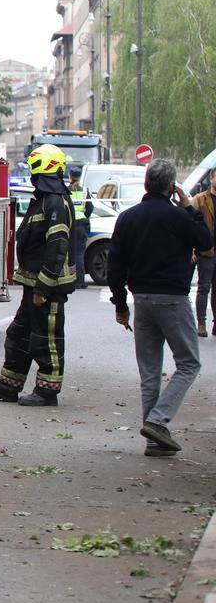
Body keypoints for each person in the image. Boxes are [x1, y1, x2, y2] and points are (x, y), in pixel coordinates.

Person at [107, 158, 215, 456]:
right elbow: (206, 242)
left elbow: (115, 266)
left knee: (150, 372)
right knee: (189, 363)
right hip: (173, 300)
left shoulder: (128, 218)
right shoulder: (179, 218)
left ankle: (154, 441)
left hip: (141, 300)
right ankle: (157, 421)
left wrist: (120, 305)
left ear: (146, 184)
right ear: (171, 188)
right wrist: (190, 208)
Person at [0, 143, 78, 406]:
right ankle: (7, 387)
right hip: (34, 285)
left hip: (47, 288)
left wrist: (43, 289)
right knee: (19, 334)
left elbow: (57, 248)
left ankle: (47, 392)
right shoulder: (45, 200)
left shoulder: (55, 202)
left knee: (47, 339)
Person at [192, 183, 216, 336]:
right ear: (212, 179)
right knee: (204, 287)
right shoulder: (201, 199)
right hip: (207, 251)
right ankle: (201, 323)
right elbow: (191, 224)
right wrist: (192, 248)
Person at [67, 163, 93, 284]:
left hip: (69, 224)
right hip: (81, 224)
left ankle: (68, 280)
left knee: (68, 254)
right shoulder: (85, 191)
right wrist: (84, 217)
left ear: (70, 176)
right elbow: (90, 208)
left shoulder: (65, 190)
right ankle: (80, 281)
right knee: (79, 254)